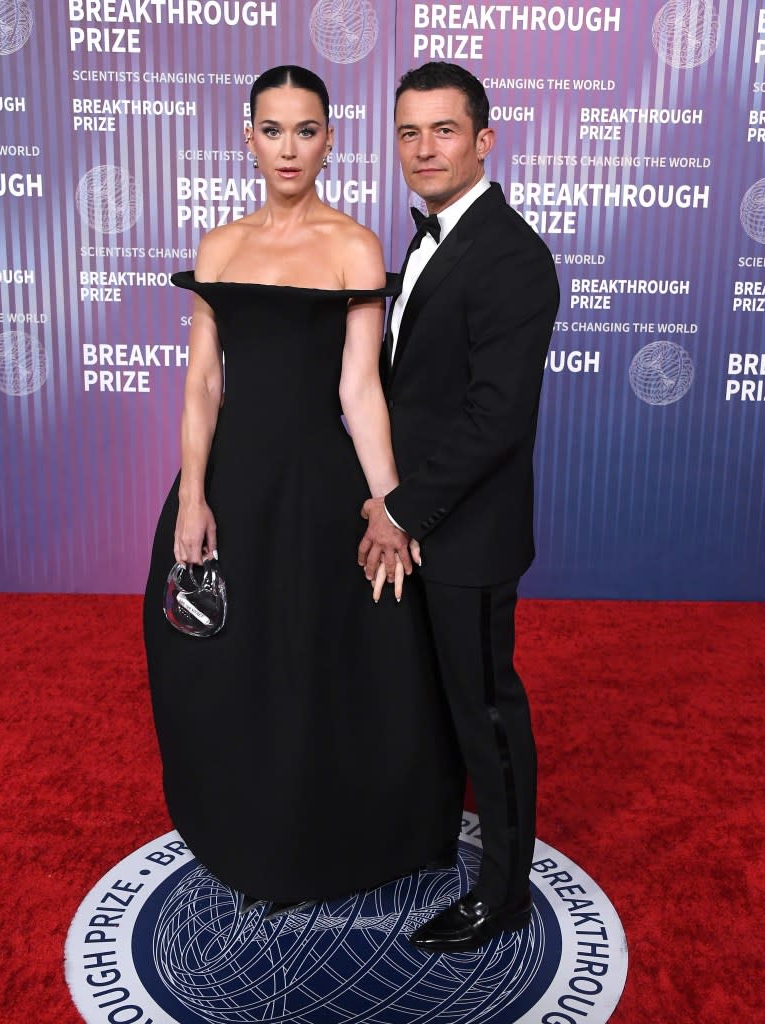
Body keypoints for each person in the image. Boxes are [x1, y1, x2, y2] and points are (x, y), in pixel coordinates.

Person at [143, 65, 463, 918]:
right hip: (235, 485)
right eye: (273, 129)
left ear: (330, 138)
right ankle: (242, 824)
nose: (290, 147)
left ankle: (337, 832)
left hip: (320, 489)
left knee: (324, 657)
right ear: (248, 136)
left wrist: (393, 509)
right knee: (225, 656)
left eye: (307, 129)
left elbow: (362, 392)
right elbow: (203, 383)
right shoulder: (219, 246)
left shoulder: (352, 246)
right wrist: (193, 495)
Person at [359, 62, 560, 952]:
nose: (425, 148)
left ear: (484, 139)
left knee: (486, 714)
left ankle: (505, 892)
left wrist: (402, 512)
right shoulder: (433, 238)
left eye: (444, 130)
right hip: (420, 523)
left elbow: (495, 419)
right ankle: (427, 837)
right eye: (409, 132)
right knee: (434, 703)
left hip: (464, 533)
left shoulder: (512, 254)